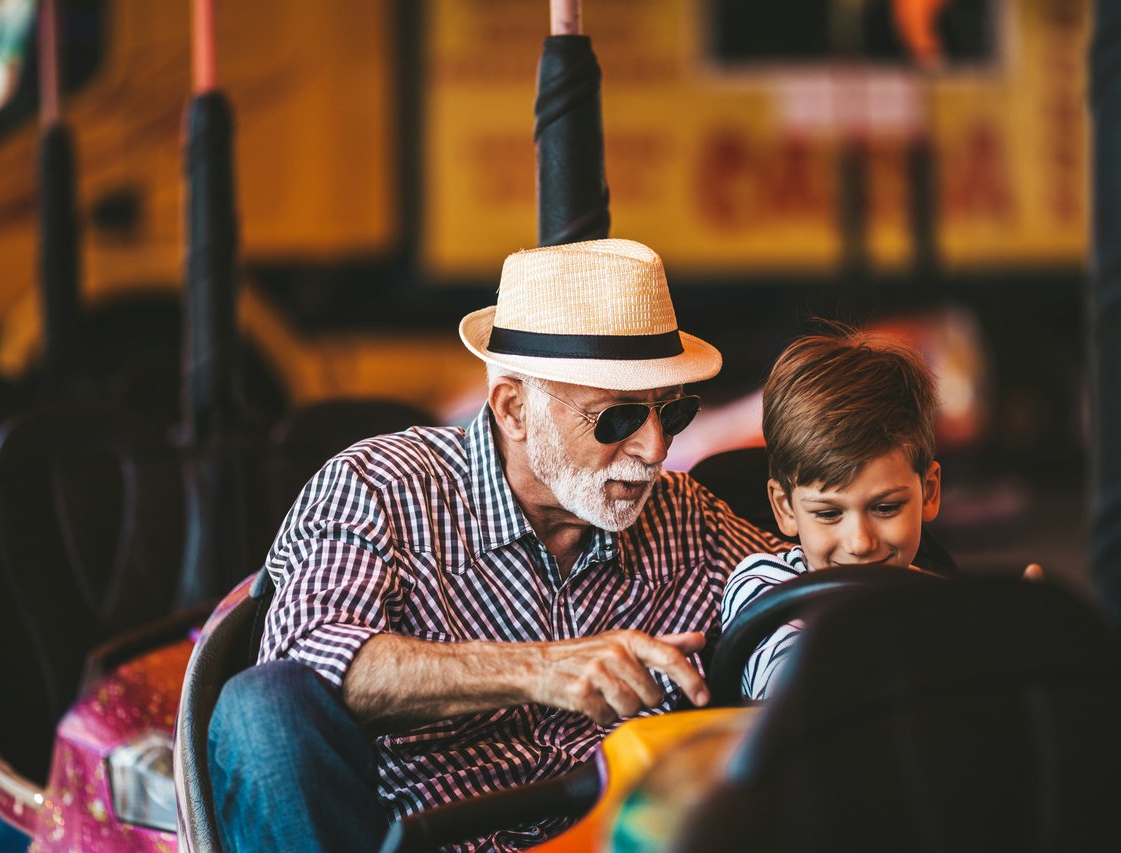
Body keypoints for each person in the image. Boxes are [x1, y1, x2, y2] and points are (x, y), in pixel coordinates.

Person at [207, 238, 784, 852]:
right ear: (513, 409)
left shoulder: (685, 518)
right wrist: (540, 669)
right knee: (262, 707)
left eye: (670, 416)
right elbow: (308, 662)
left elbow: (805, 598)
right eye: (616, 419)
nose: (655, 450)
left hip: (618, 838)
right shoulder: (383, 487)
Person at [719, 326, 948, 702]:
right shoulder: (764, 587)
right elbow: (791, 696)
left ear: (930, 493)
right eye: (828, 514)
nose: (859, 543)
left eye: (885, 508)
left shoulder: (948, 599)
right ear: (784, 508)